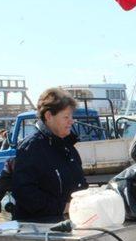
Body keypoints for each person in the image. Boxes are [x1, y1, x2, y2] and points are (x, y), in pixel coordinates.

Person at [12, 88, 87, 222]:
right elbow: (25, 194)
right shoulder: (31, 148)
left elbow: (80, 185)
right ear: (48, 116)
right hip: (41, 232)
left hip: (70, 224)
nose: (72, 121)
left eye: (71, 116)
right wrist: (63, 207)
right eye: (66, 117)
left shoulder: (68, 148)